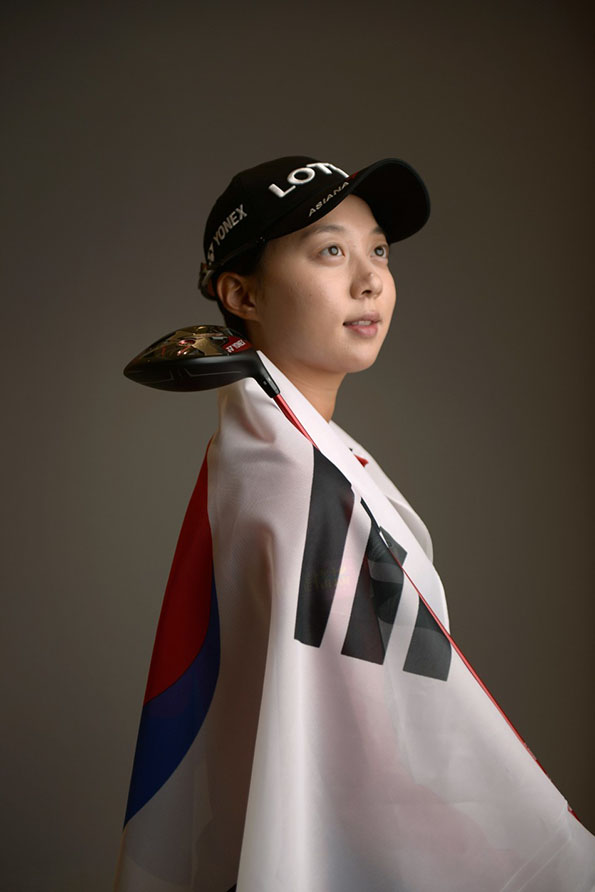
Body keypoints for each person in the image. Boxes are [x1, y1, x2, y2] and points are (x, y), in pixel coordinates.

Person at [115, 157, 595, 892]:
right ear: (241, 294)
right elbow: (379, 762)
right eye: (331, 251)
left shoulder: (266, 449)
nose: (370, 280)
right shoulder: (300, 481)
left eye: (379, 250)